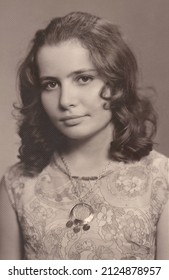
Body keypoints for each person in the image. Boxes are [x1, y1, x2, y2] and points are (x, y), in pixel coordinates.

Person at [0, 11, 168, 260]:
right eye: (51, 84)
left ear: (117, 83)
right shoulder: (17, 184)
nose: (65, 101)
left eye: (83, 78)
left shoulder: (161, 180)